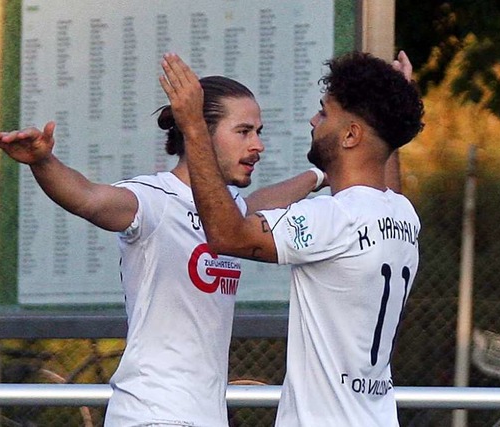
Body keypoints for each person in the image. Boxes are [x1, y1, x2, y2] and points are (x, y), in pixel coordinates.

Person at [0, 75, 325, 427]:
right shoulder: (155, 199)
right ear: (199, 132)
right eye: (244, 132)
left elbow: (257, 205)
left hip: (204, 417)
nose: (258, 145)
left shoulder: (230, 212)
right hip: (151, 416)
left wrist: (322, 175)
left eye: (259, 131)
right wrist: (43, 162)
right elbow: (88, 198)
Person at [160, 50, 424, 426]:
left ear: (351, 134)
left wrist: (195, 129)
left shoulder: (333, 219)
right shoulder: (402, 215)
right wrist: (392, 109)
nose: (313, 120)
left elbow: (226, 234)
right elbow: (386, 180)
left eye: (325, 112)